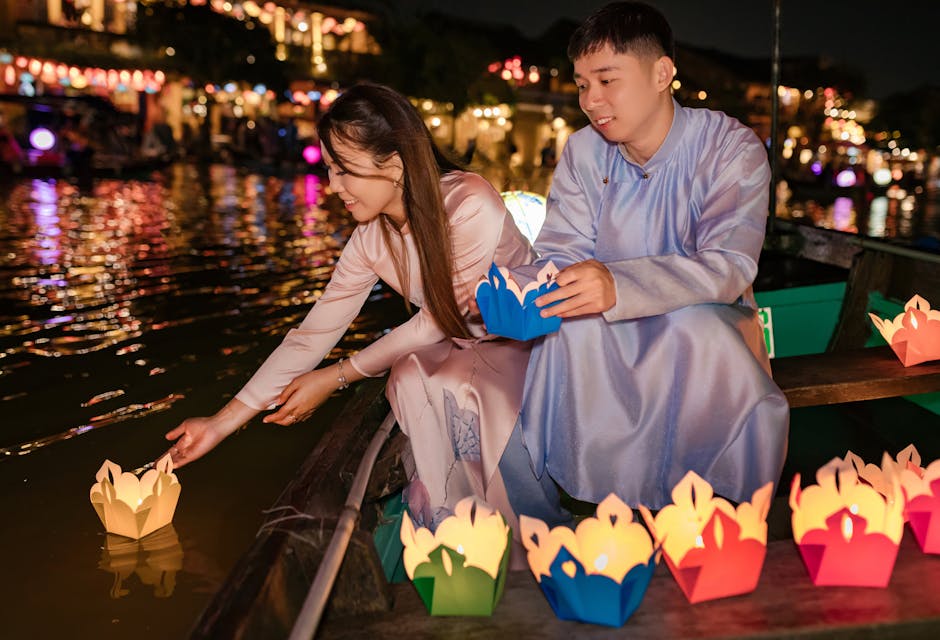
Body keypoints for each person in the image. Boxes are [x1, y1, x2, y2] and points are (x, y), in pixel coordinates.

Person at [165, 83, 535, 533]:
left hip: (524, 347)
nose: (332, 186)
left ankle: (495, 524)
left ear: (394, 165)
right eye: (329, 169)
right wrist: (219, 425)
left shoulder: (467, 201)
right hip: (461, 350)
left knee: (421, 373)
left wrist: (335, 377)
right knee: (410, 373)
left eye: (344, 170)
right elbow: (312, 335)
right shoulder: (370, 240)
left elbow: (436, 322)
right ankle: (451, 527)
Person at [498, 1, 789, 514]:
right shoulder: (584, 151)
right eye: (582, 84)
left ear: (661, 74)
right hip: (601, 322)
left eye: (607, 80)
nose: (591, 100)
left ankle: (707, 508)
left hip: (705, 317)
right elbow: (562, 248)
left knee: (694, 329)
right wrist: (516, 286)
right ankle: (592, 501)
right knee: (566, 330)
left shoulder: (730, 148)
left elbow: (729, 264)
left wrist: (619, 286)